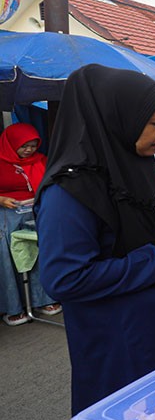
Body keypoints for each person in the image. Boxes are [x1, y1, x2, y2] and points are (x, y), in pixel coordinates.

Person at [35, 65, 155, 420]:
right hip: (120, 347)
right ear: (119, 119)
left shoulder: (138, 168)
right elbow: (65, 278)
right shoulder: (69, 192)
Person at [0, 123, 60, 326]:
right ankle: (14, 306)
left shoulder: (41, 160)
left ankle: (45, 299)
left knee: (44, 246)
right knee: (8, 247)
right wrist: (1, 200)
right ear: (10, 144)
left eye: (33, 145)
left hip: (37, 208)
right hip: (7, 209)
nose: (29, 150)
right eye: (24, 145)